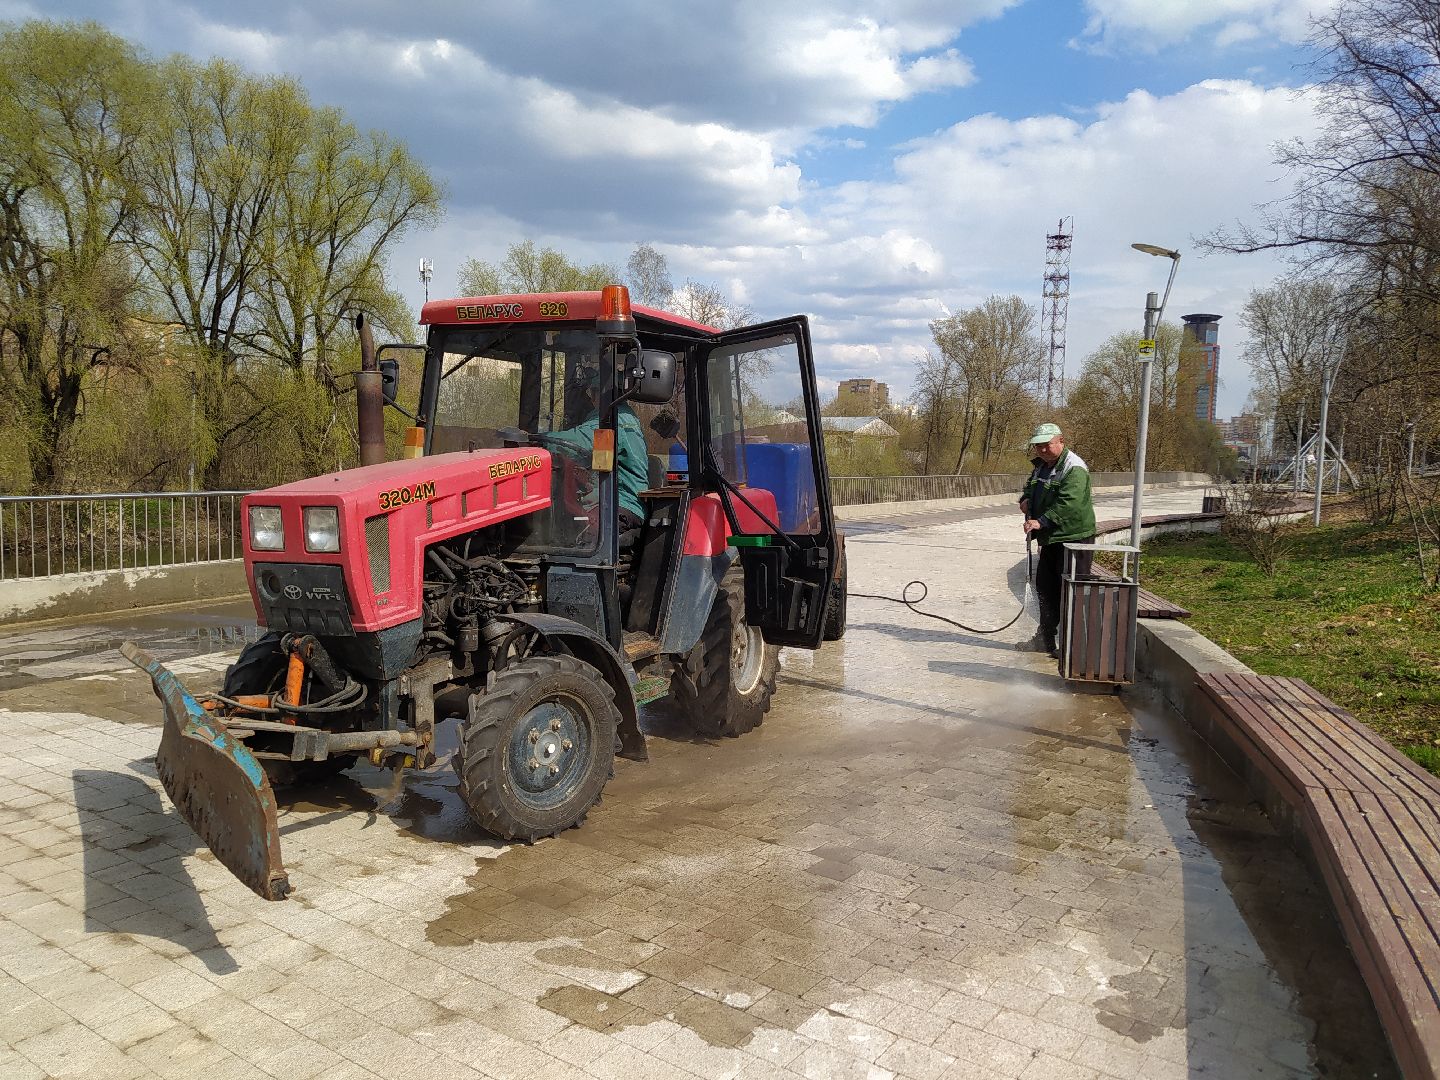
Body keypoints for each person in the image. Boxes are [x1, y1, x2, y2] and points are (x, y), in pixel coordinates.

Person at [1018, 422, 1096, 658]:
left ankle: (1071, 647)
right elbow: (1030, 488)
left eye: (1047, 445)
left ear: (1061, 441)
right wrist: (1025, 500)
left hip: (1074, 540)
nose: (1042, 450)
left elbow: (1069, 503)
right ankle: (1045, 639)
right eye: (1038, 446)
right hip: (1052, 539)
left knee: (1071, 592)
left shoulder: (1074, 467)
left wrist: (1041, 522)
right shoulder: (1041, 466)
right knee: (1046, 588)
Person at [544, 362, 649, 536]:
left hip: (620, 503)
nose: (590, 400)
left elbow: (581, 440)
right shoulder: (615, 418)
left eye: (591, 393)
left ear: (599, 394)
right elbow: (600, 460)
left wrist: (532, 439)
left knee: (580, 535)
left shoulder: (615, 417)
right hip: (608, 499)